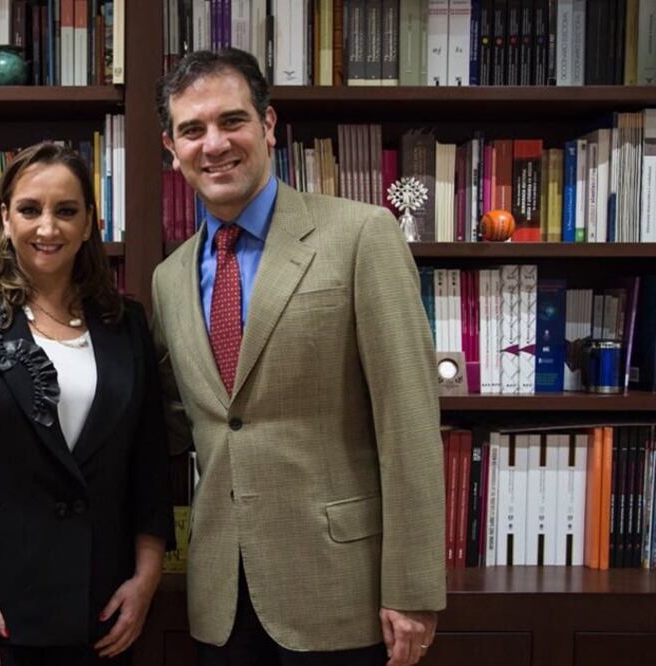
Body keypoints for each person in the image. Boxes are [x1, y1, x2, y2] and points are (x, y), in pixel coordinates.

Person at [151, 49, 446, 666]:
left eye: (232, 121)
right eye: (192, 130)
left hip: (343, 589)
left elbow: (409, 421)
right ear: (171, 150)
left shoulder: (361, 235)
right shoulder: (169, 278)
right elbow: (185, 421)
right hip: (221, 596)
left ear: (267, 125)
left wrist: (413, 588)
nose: (214, 144)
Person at [0, 142, 174, 666]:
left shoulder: (125, 323)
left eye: (66, 211)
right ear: (5, 217)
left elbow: (150, 463)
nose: (48, 228)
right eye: (30, 210)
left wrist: (146, 578)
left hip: (101, 607)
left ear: (90, 222)